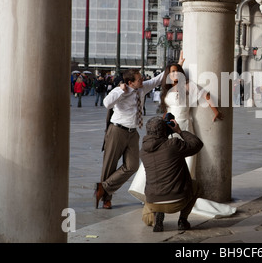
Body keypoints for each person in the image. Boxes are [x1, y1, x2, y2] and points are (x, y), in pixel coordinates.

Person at [129, 63, 237, 219]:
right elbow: (167, 110)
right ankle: (152, 194)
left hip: (183, 125)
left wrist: (216, 111)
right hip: (168, 126)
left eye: (177, 72)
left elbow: (205, 95)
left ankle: (180, 194)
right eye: (171, 72)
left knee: (184, 160)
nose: (174, 75)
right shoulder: (166, 89)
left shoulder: (187, 86)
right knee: (161, 158)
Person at [95, 54, 185, 209]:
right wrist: (120, 91)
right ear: (130, 82)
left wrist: (177, 65)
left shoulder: (142, 89)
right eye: (139, 79)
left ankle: (104, 187)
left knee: (132, 166)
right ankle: (106, 199)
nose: (142, 80)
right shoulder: (120, 91)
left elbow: (158, 79)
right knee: (109, 165)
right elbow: (106, 103)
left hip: (133, 133)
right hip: (117, 131)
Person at [140, 116, 203, 232]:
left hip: (153, 201)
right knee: (197, 186)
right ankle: (182, 220)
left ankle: (157, 216)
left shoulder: (143, 151)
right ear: (164, 131)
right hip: (177, 202)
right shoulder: (174, 145)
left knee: (147, 215)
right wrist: (179, 131)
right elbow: (197, 144)